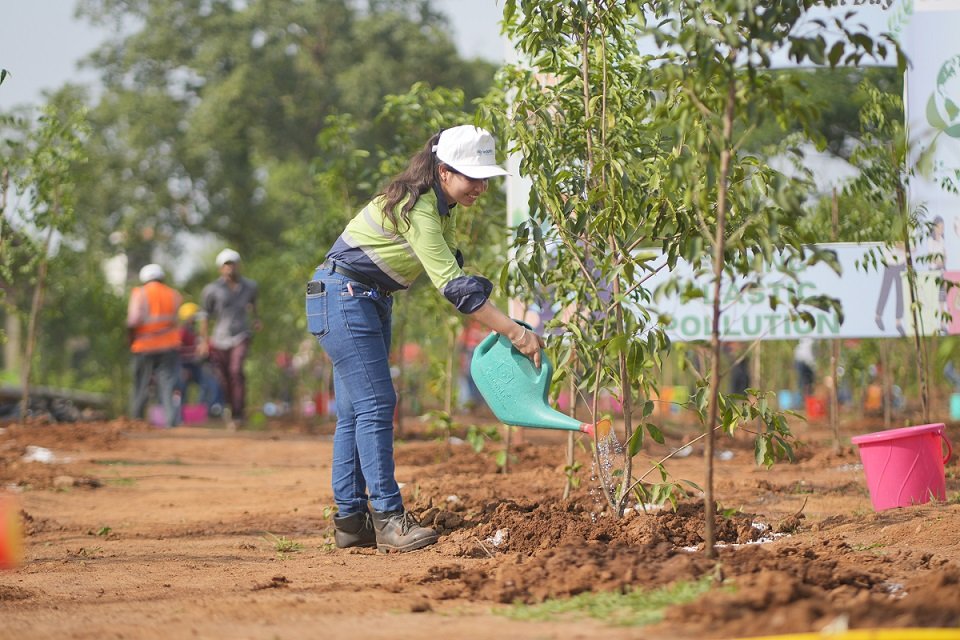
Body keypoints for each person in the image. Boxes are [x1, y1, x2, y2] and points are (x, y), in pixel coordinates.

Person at [305, 125, 544, 553]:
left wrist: (497, 309)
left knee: (357, 413)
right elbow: (454, 288)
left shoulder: (438, 208)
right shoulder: (418, 209)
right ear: (444, 170)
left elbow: (456, 270)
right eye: (473, 176)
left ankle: (350, 522)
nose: (481, 187)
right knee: (376, 404)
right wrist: (513, 330)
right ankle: (389, 519)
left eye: (486, 177)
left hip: (362, 298)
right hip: (345, 297)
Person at [199, 248, 260, 430]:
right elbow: (204, 316)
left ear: (238, 265)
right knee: (223, 378)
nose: (230, 268)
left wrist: (256, 319)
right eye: (226, 265)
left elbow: (254, 305)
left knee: (236, 371)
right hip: (219, 338)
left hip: (241, 334)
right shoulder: (212, 290)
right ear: (220, 268)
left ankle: (239, 414)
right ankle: (229, 408)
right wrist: (203, 341)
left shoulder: (250, 286)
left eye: (232, 264)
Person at [127, 263, 183, 427]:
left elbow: (133, 321)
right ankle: (171, 421)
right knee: (168, 385)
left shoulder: (140, 293)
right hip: (169, 346)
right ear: (162, 277)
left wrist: (131, 340)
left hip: (144, 346)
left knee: (141, 384)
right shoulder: (173, 294)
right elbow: (175, 320)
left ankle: (136, 420)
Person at [175, 302, 223, 421]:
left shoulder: (197, 334)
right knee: (180, 386)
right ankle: (178, 416)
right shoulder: (182, 332)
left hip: (196, 367)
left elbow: (206, 352)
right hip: (183, 367)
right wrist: (182, 368)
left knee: (211, 382)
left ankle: (211, 410)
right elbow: (176, 353)